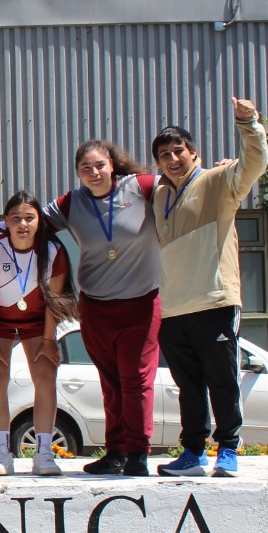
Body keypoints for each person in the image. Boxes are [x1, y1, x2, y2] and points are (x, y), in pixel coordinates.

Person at [153, 98, 268, 478]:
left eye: (178, 151)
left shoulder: (219, 181)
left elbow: (254, 163)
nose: (173, 158)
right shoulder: (157, 194)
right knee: (188, 386)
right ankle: (193, 452)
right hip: (173, 308)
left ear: (193, 152)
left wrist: (247, 122)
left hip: (215, 301)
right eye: (164, 154)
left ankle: (229, 450)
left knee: (222, 380)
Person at [43, 140, 161, 476]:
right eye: (85, 168)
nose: (94, 173)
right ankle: (116, 452)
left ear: (113, 164)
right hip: (96, 307)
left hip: (141, 304)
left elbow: (186, 187)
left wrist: (217, 172)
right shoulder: (72, 203)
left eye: (99, 166)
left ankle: (138, 453)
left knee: (136, 380)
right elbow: (28, 225)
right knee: (110, 382)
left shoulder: (141, 187)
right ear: (78, 173)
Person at [0, 190, 74, 477]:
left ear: (38, 220)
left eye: (29, 218)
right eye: (16, 218)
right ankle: (2, 454)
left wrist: (48, 341)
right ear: (6, 221)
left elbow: (54, 301)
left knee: (45, 375)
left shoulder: (52, 249)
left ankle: (44, 453)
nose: (23, 224)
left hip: (38, 318)